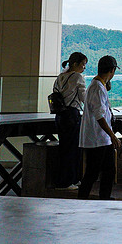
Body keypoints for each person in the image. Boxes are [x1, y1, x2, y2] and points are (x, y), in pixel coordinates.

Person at [78, 55, 122, 200]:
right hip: (98, 139)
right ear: (112, 70)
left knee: (107, 170)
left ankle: (104, 197)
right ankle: (83, 198)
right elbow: (99, 116)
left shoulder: (97, 85)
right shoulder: (97, 87)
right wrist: (112, 135)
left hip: (101, 139)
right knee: (93, 172)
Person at [52, 52, 87, 190]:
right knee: (72, 148)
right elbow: (84, 97)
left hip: (60, 115)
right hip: (72, 115)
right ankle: (68, 181)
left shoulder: (60, 77)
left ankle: (67, 179)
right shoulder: (78, 77)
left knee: (64, 148)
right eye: (83, 64)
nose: (84, 67)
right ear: (75, 64)